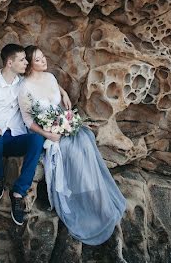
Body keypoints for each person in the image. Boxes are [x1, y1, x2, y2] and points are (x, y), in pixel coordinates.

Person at [18, 45, 127, 245]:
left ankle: (99, 198)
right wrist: (48, 134)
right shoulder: (24, 87)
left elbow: (54, 94)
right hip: (47, 133)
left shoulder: (50, 77)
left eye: (43, 57)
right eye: (39, 60)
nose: (44, 61)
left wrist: (64, 94)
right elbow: (28, 121)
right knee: (72, 151)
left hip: (62, 124)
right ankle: (90, 202)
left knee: (86, 138)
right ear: (30, 66)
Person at [0, 43, 70, 225]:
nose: (26, 62)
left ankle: (18, 192)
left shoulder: (22, 84)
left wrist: (63, 92)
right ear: (9, 63)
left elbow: (43, 84)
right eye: (22, 60)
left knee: (36, 139)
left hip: (15, 137)